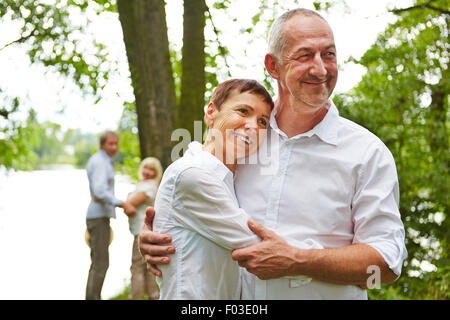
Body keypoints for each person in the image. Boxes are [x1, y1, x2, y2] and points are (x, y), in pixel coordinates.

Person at [139, 9, 408, 300]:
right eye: (305, 55)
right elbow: (194, 203)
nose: (320, 69)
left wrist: (298, 261)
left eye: (328, 54)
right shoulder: (240, 140)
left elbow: (387, 266)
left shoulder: (367, 153)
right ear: (273, 65)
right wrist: (168, 238)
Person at [151, 79, 320, 299]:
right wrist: (340, 261)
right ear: (211, 112)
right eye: (242, 111)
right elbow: (262, 248)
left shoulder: (231, 179)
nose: (252, 127)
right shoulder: (192, 174)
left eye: (262, 121)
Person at [85, 130, 136, 300]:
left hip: (98, 217)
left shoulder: (102, 160)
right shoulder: (101, 162)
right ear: (102, 145)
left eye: (116, 143)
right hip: (98, 218)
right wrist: (122, 203)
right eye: (110, 144)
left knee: (97, 263)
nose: (114, 147)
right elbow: (99, 192)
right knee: (100, 264)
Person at [123, 157, 162, 300]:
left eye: (152, 169)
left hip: (142, 232)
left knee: (137, 266)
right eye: (146, 168)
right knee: (147, 266)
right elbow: (129, 207)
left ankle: (136, 296)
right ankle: (153, 295)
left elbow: (130, 204)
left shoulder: (149, 186)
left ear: (156, 172)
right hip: (142, 230)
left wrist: (126, 205)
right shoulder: (144, 185)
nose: (147, 172)